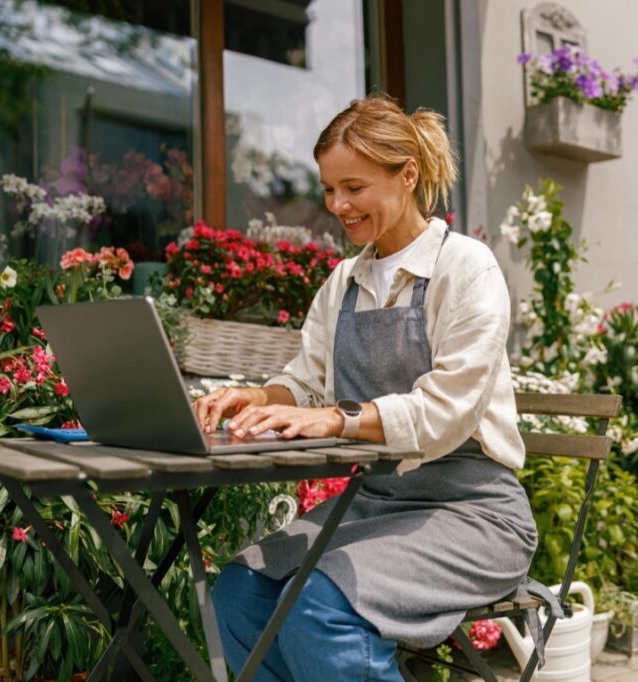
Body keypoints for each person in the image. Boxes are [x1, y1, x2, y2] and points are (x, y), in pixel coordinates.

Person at [198, 94, 536, 681]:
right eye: (329, 189)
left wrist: (339, 419)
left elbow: (446, 411)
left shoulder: (466, 269)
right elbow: (305, 384)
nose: (337, 206)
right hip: (374, 506)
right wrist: (257, 398)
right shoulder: (344, 281)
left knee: (319, 606)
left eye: (353, 187)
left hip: (475, 514)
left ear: (407, 175)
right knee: (238, 592)